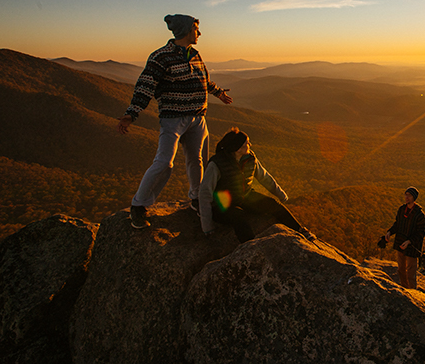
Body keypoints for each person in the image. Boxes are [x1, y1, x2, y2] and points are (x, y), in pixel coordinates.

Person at [117, 14, 232, 229]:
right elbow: (145, 86)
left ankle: (196, 199)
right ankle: (139, 205)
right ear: (187, 30)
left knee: (197, 161)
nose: (199, 33)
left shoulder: (195, 54)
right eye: (196, 29)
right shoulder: (161, 57)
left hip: (198, 118)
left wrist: (218, 93)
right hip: (173, 120)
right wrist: (131, 113)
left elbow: (204, 80)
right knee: (164, 162)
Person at [198, 128, 315, 243]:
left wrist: (281, 194)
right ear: (237, 148)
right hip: (222, 204)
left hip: (245, 196)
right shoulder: (217, 164)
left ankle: (300, 230)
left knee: (273, 205)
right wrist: (207, 226)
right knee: (239, 216)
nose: (250, 144)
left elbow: (264, 177)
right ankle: (250, 246)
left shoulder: (250, 158)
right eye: (246, 143)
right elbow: (205, 193)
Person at [385, 187, 425, 289]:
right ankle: (405, 290)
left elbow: (421, 233)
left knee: (411, 273)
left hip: (412, 247)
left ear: (414, 198)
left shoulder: (419, 215)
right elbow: (397, 224)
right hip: (400, 243)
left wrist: (409, 241)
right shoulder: (402, 209)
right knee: (401, 270)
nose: (406, 197)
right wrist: (390, 232)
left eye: (409, 195)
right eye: (405, 194)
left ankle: (412, 294)